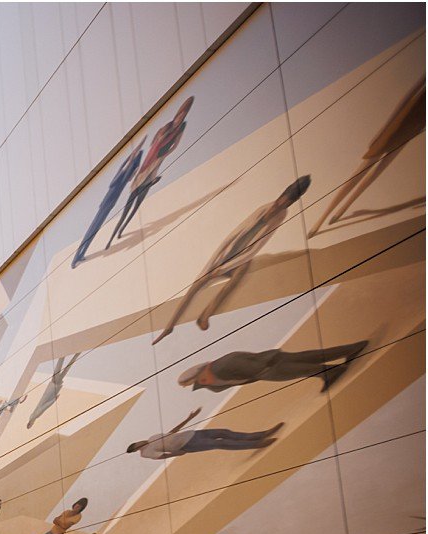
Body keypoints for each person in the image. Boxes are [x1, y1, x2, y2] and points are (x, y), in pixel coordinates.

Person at [153, 176, 312, 343]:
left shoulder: (281, 216)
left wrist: (223, 270)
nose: (277, 207)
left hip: (242, 256)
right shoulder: (263, 209)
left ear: (289, 204)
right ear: (279, 197)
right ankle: (169, 327)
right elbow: (232, 239)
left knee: (240, 272)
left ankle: (206, 313)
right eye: (279, 202)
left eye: (283, 205)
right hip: (228, 253)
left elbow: (255, 248)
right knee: (198, 284)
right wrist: (216, 267)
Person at [310, 78, 424, 235]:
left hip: (410, 131)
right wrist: (385, 126)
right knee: (357, 175)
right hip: (395, 126)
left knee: (376, 173)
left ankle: (343, 209)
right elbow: (409, 95)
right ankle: (321, 220)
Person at [108, 97, 194, 245]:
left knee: (137, 204)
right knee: (130, 202)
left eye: (184, 115)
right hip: (149, 162)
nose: (181, 118)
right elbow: (154, 144)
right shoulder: (166, 128)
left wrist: (164, 155)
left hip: (156, 161)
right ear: (177, 114)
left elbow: (175, 145)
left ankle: (122, 229)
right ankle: (113, 236)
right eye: (180, 115)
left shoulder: (180, 128)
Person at [176, 342, 368, 394]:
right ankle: (350, 351)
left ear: (202, 373)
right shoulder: (213, 380)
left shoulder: (223, 365)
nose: (202, 384)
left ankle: (333, 371)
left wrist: (266, 370)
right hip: (267, 366)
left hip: (268, 366)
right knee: (310, 359)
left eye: (199, 381)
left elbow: (245, 364)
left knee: (304, 367)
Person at [72, 143, 144, 267]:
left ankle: (82, 254)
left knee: (94, 231)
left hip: (111, 203)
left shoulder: (129, 172)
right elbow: (112, 183)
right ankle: (76, 257)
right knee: (91, 230)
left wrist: (134, 167)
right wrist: (129, 162)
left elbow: (129, 179)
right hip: (106, 202)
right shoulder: (122, 171)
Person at [126, 409, 282, 460]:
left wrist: (189, 418)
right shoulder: (146, 453)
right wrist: (178, 454)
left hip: (190, 435)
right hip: (187, 444)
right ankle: (256, 444)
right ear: (136, 448)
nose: (141, 442)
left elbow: (172, 432)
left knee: (223, 432)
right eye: (137, 444)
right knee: (219, 443)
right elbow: (162, 456)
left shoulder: (152, 438)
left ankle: (260, 435)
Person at [25, 351, 82, 429]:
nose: (32, 424)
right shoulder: (32, 416)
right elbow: (44, 406)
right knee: (61, 371)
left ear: (30, 424)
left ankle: (67, 354)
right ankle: (67, 355)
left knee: (61, 370)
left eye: (31, 425)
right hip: (51, 389)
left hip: (52, 390)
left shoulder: (34, 416)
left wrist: (54, 400)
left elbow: (44, 407)